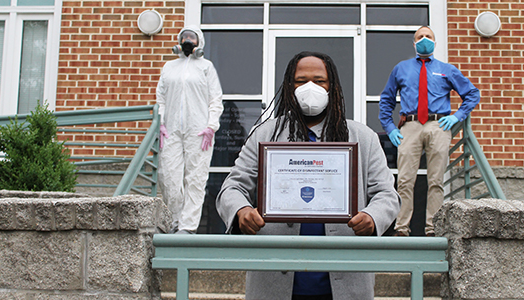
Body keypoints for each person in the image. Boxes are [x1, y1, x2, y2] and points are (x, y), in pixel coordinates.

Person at [217, 51, 399, 300]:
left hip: (346, 282)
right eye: (300, 81)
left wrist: (372, 216)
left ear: (332, 86)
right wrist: (241, 212)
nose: (310, 87)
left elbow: (386, 194)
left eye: (319, 80)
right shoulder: (264, 134)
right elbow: (232, 187)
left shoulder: (362, 137)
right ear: (289, 88)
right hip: (274, 282)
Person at [379, 26, 480, 237]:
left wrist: (457, 116)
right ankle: (402, 229)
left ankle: (432, 229)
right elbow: (387, 99)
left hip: (438, 125)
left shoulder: (447, 69)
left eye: (429, 36)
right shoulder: (401, 69)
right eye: (420, 37)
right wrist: (389, 128)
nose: (425, 39)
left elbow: (471, 94)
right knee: (405, 180)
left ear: (435, 42)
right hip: (410, 126)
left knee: (436, 180)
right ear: (414, 43)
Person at [156, 25, 223, 234]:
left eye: (192, 37)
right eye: (184, 37)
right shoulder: (169, 67)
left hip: (199, 131)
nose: (187, 40)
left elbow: (215, 99)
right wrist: (160, 123)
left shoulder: (206, 67)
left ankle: (188, 226)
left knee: (195, 178)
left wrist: (211, 126)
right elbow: (161, 99)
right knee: (169, 176)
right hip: (171, 130)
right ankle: (175, 219)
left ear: (199, 42)